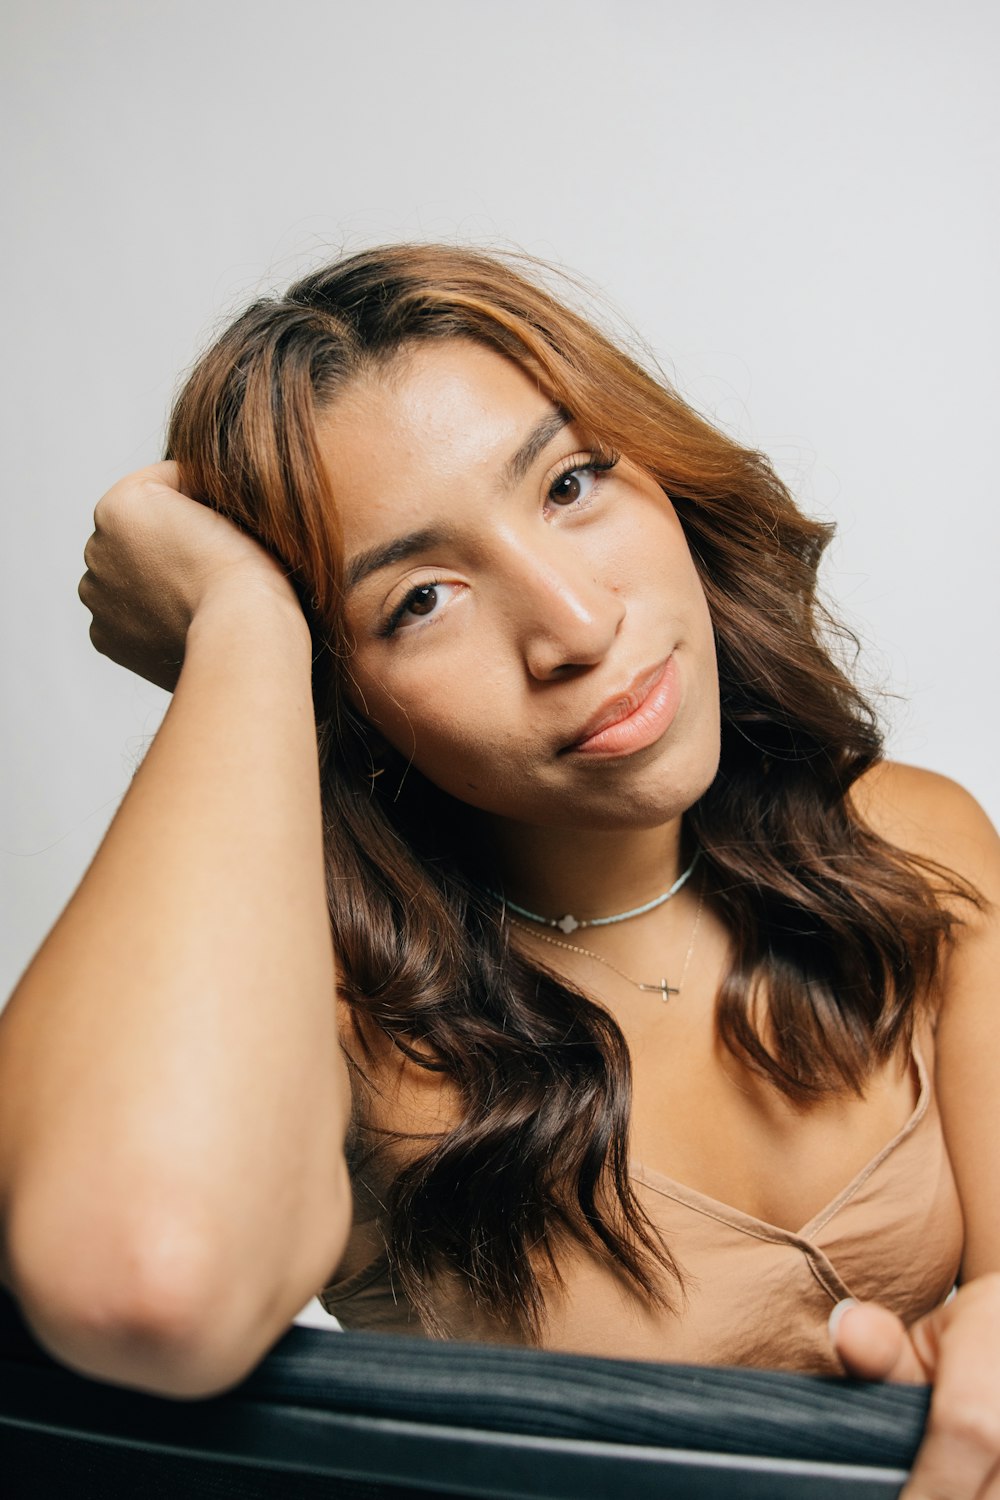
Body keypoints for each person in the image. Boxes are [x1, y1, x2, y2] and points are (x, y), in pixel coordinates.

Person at [1, 245, 998, 1496]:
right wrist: (240, 628)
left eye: (572, 482)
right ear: (340, 688)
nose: (577, 627)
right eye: (419, 599)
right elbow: (144, 1277)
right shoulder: (331, 1019)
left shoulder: (906, 842)